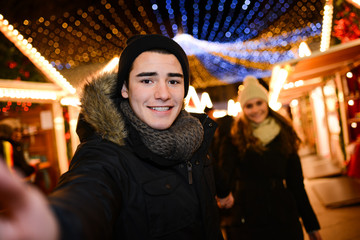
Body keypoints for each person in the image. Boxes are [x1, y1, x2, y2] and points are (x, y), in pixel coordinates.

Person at [0, 34, 224, 240]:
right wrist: (55, 224)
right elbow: (88, 193)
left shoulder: (195, 137)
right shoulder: (106, 151)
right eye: (147, 80)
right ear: (125, 89)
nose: (163, 94)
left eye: (173, 81)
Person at [216, 75, 322, 240]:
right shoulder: (234, 136)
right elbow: (225, 174)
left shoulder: (284, 133)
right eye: (249, 105)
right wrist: (223, 194)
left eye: (259, 103)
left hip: (283, 214)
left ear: (267, 103)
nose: (256, 109)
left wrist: (311, 226)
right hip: (248, 217)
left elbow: (297, 185)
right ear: (243, 109)